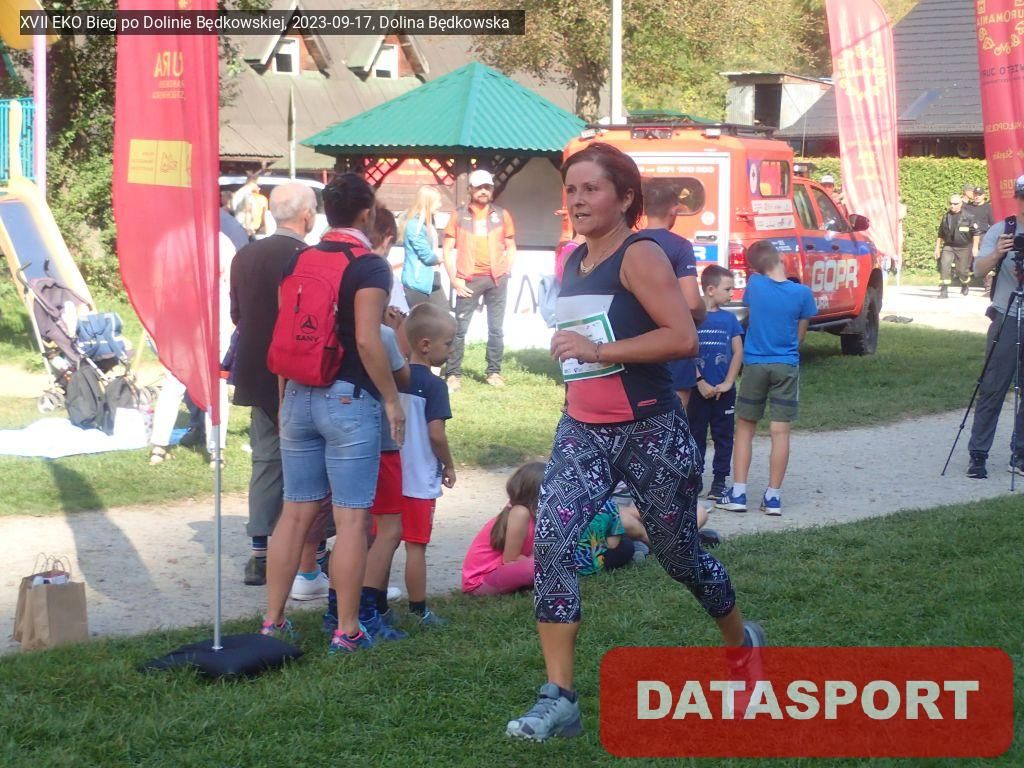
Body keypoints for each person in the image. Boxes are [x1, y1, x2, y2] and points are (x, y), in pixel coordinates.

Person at [505, 142, 764, 743]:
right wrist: (575, 360)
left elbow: (683, 338)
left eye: (591, 189)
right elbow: (583, 340)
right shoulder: (574, 259)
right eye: (571, 189)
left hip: (649, 430)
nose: (577, 200)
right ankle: (559, 698)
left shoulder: (640, 254)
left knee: (680, 558)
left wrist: (598, 350)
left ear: (625, 198)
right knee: (552, 540)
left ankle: (741, 646)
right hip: (582, 429)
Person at [261, 173, 406, 656]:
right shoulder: (369, 266)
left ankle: (273, 621)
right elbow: (367, 339)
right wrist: (391, 399)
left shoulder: (297, 259)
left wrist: (284, 397)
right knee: (351, 521)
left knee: (294, 514)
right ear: (367, 213)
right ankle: (346, 630)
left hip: (298, 393)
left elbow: (286, 335)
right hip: (348, 399)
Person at [229, 182, 317, 587]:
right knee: (310, 461)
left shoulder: (245, 255)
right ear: (307, 216)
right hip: (300, 370)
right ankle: (311, 551)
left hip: (256, 368)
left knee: (265, 461)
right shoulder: (308, 258)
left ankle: (260, 554)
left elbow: (237, 314)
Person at [717, 241, 816, 517]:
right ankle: (773, 497)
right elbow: (800, 336)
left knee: (745, 428)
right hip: (786, 365)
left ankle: (738, 492)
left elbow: (751, 312)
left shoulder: (755, 285)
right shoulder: (803, 294)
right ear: (781, 257)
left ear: (754, 268)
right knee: (780, 432)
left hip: (755, 364)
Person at [149, 232, 235, 467]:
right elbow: (231, 284)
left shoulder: (171, 241)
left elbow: (157, 285)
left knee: (174, 382)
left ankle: (159, 446)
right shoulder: (220, 241)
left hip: (182, 319)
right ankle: (216, 451)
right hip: (208, 319)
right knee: (214, 384)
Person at [398, 302, 457, 625]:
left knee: (382, 542)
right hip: (419, 480)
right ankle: (419, 610)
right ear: (425, 345)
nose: (451, 350)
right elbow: (436, 434)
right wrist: (449, 464)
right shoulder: (436, 386)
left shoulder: (394, 379)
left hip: (391, 475)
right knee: (415, 547)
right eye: (447, 343)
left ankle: (373, 604)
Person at [966, 174, 1024, 479]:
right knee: (992, 387)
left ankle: (1021, 454)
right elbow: (977, 269)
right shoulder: (1002, 230)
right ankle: (978, 454)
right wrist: (998, 253)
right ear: (1017, 197)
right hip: (1007, 315)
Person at [442, 169, 517, 391]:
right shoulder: (458, 215)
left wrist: (507, 269)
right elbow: (447, 250)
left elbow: (511, 245)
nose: (484, 191)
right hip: (468, 278)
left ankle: (494, 372)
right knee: (459, 329)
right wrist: (455, 279)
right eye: (479, 187)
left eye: (487, 187)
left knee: (496, 328)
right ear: (470, 190)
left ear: (492, 189)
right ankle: (453, 374)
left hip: (497, 279)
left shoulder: (502, 215)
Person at [641, 178, 706, 409]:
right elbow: (691, 302)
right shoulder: (680, 246)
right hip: (672, 340)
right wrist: (703, 312)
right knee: (675, 416)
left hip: (636, 341)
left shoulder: (630, 242)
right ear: (674, 210)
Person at [685, 265, 745, 502]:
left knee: (723, 436)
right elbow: (686, 351)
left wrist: (728, 382)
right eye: (728, 289)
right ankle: (695, 478)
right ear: (710, 289)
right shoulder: (692, 318)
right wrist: (699, 381)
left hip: (723, 391)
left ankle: (720, 481)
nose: (732, 293)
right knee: (696, 434)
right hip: (698, 390)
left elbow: (737, 351)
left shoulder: (730, 320)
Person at [462, 462, 544, 596]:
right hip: (480, 582)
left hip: (501, 574)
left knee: (550, 560)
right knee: (542, 566)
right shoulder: (520, 512)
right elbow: (510, 559)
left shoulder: (531, 512)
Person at [401, 185, 447, 310]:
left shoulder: (429, 223)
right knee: (420, 319)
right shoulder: (414, 225)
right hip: (417, 282)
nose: (440, 205)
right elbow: (426, 256)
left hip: (432, 278)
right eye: (438, 202)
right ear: (428, 202)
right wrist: (442, 259)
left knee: (444, 314)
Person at [935, 194, 980, 298]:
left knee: (961, 271)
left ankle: (965, 283)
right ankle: (944, 291)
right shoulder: (946, 216)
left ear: (960, 204)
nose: (952, 206)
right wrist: (937, 248)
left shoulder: (969, 217)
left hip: (964, 247)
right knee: (944, 265)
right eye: (950, 203)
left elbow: (976, 233)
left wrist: (975, 247)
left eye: (955, 204)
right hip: (949, 246)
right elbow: (940, 233)